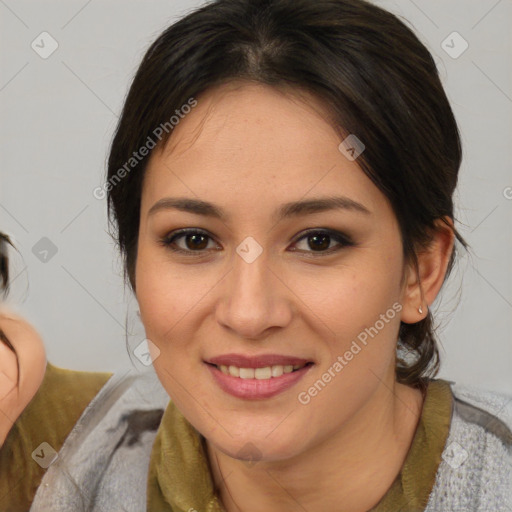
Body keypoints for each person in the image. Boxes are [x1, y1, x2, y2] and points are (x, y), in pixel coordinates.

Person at [2, 0, 511, 510]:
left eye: (319, 241)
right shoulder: (46, 448)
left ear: (421, 270)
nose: (248, 313)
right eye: (194, 240)